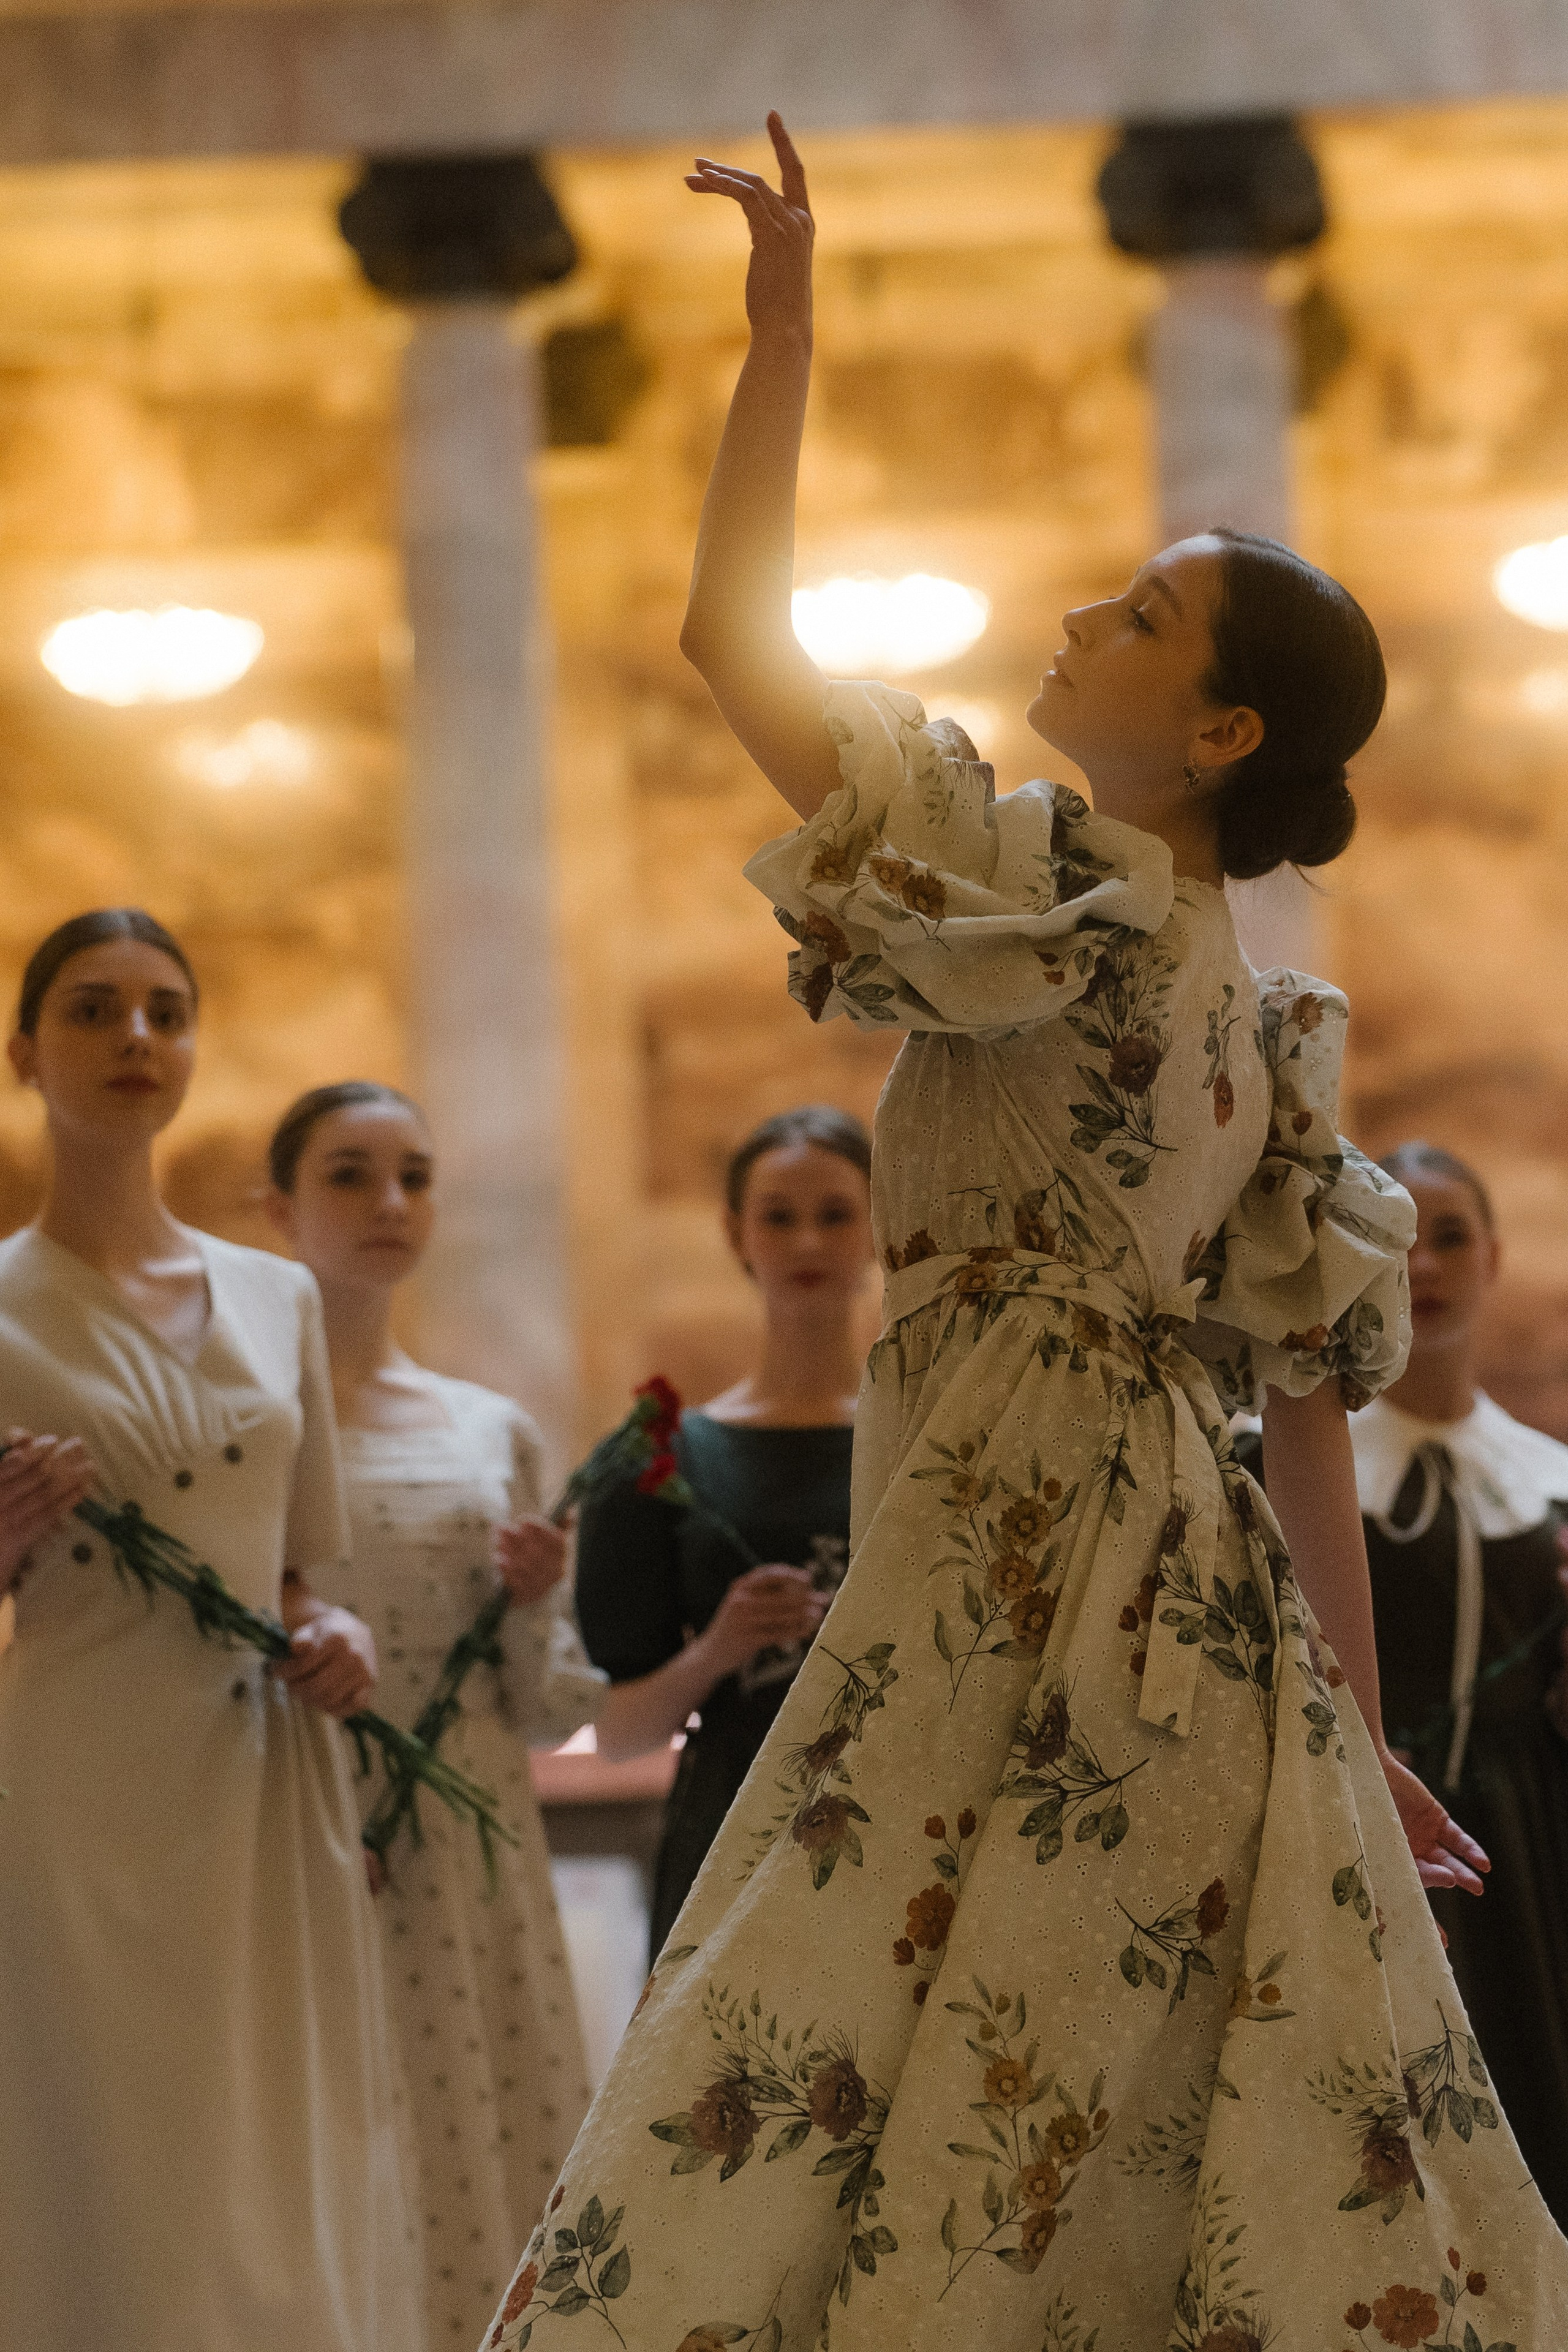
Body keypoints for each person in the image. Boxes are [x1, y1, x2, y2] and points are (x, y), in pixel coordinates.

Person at [482, 118, 1568, 2352]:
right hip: (1185, 1590)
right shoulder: (1266, 1027)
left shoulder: (1052, 886)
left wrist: (781, 341)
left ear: (1221, 726)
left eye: (1144, 614)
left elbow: (725, 635)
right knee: (1136, 2080)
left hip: (1008, 1548)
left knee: (850, 2039)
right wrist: (1347, 1738)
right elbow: (1296, 1413)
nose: (1085, 613)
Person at [0, 910, 420, 2352]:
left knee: (271, 2145)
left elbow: (303, 1574)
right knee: (103, 2142)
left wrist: (341, 1636)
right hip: (74, 1787)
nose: (135, 1039)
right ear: (24, 1051)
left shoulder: (279, 1291)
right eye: (94, 1009)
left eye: (166, 1012)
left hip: (261, 1778)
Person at [266, 1079, 614, 2352]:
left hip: (470, 1850)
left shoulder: (489, 1429)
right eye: (350, 1174)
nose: (389, 1203)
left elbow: (543, 1701)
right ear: (278, 1207)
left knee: (484, 2136)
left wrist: (528, 1601)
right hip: (317, 1831)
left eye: (412, 1175)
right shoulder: (255, 1433)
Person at [575, 1104, 870, 1962]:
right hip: (732, 1838)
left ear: (879, 1227)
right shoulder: (662, 1460)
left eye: (835, 1213)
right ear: (736, 1234)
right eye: (779, 1216)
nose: (808, 1241)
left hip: (912, 1828)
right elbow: (618, 1732)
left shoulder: (938, 1446)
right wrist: (717, 1649)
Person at [1343, 1141, 1568, 2227]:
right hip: (1360, 1827)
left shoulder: (1551, 1485)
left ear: (1494, 1258)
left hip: (1528, 1840)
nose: (1424, 1266)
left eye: (1449, 1238)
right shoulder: (1285, 1464)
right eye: (1395, 1239)